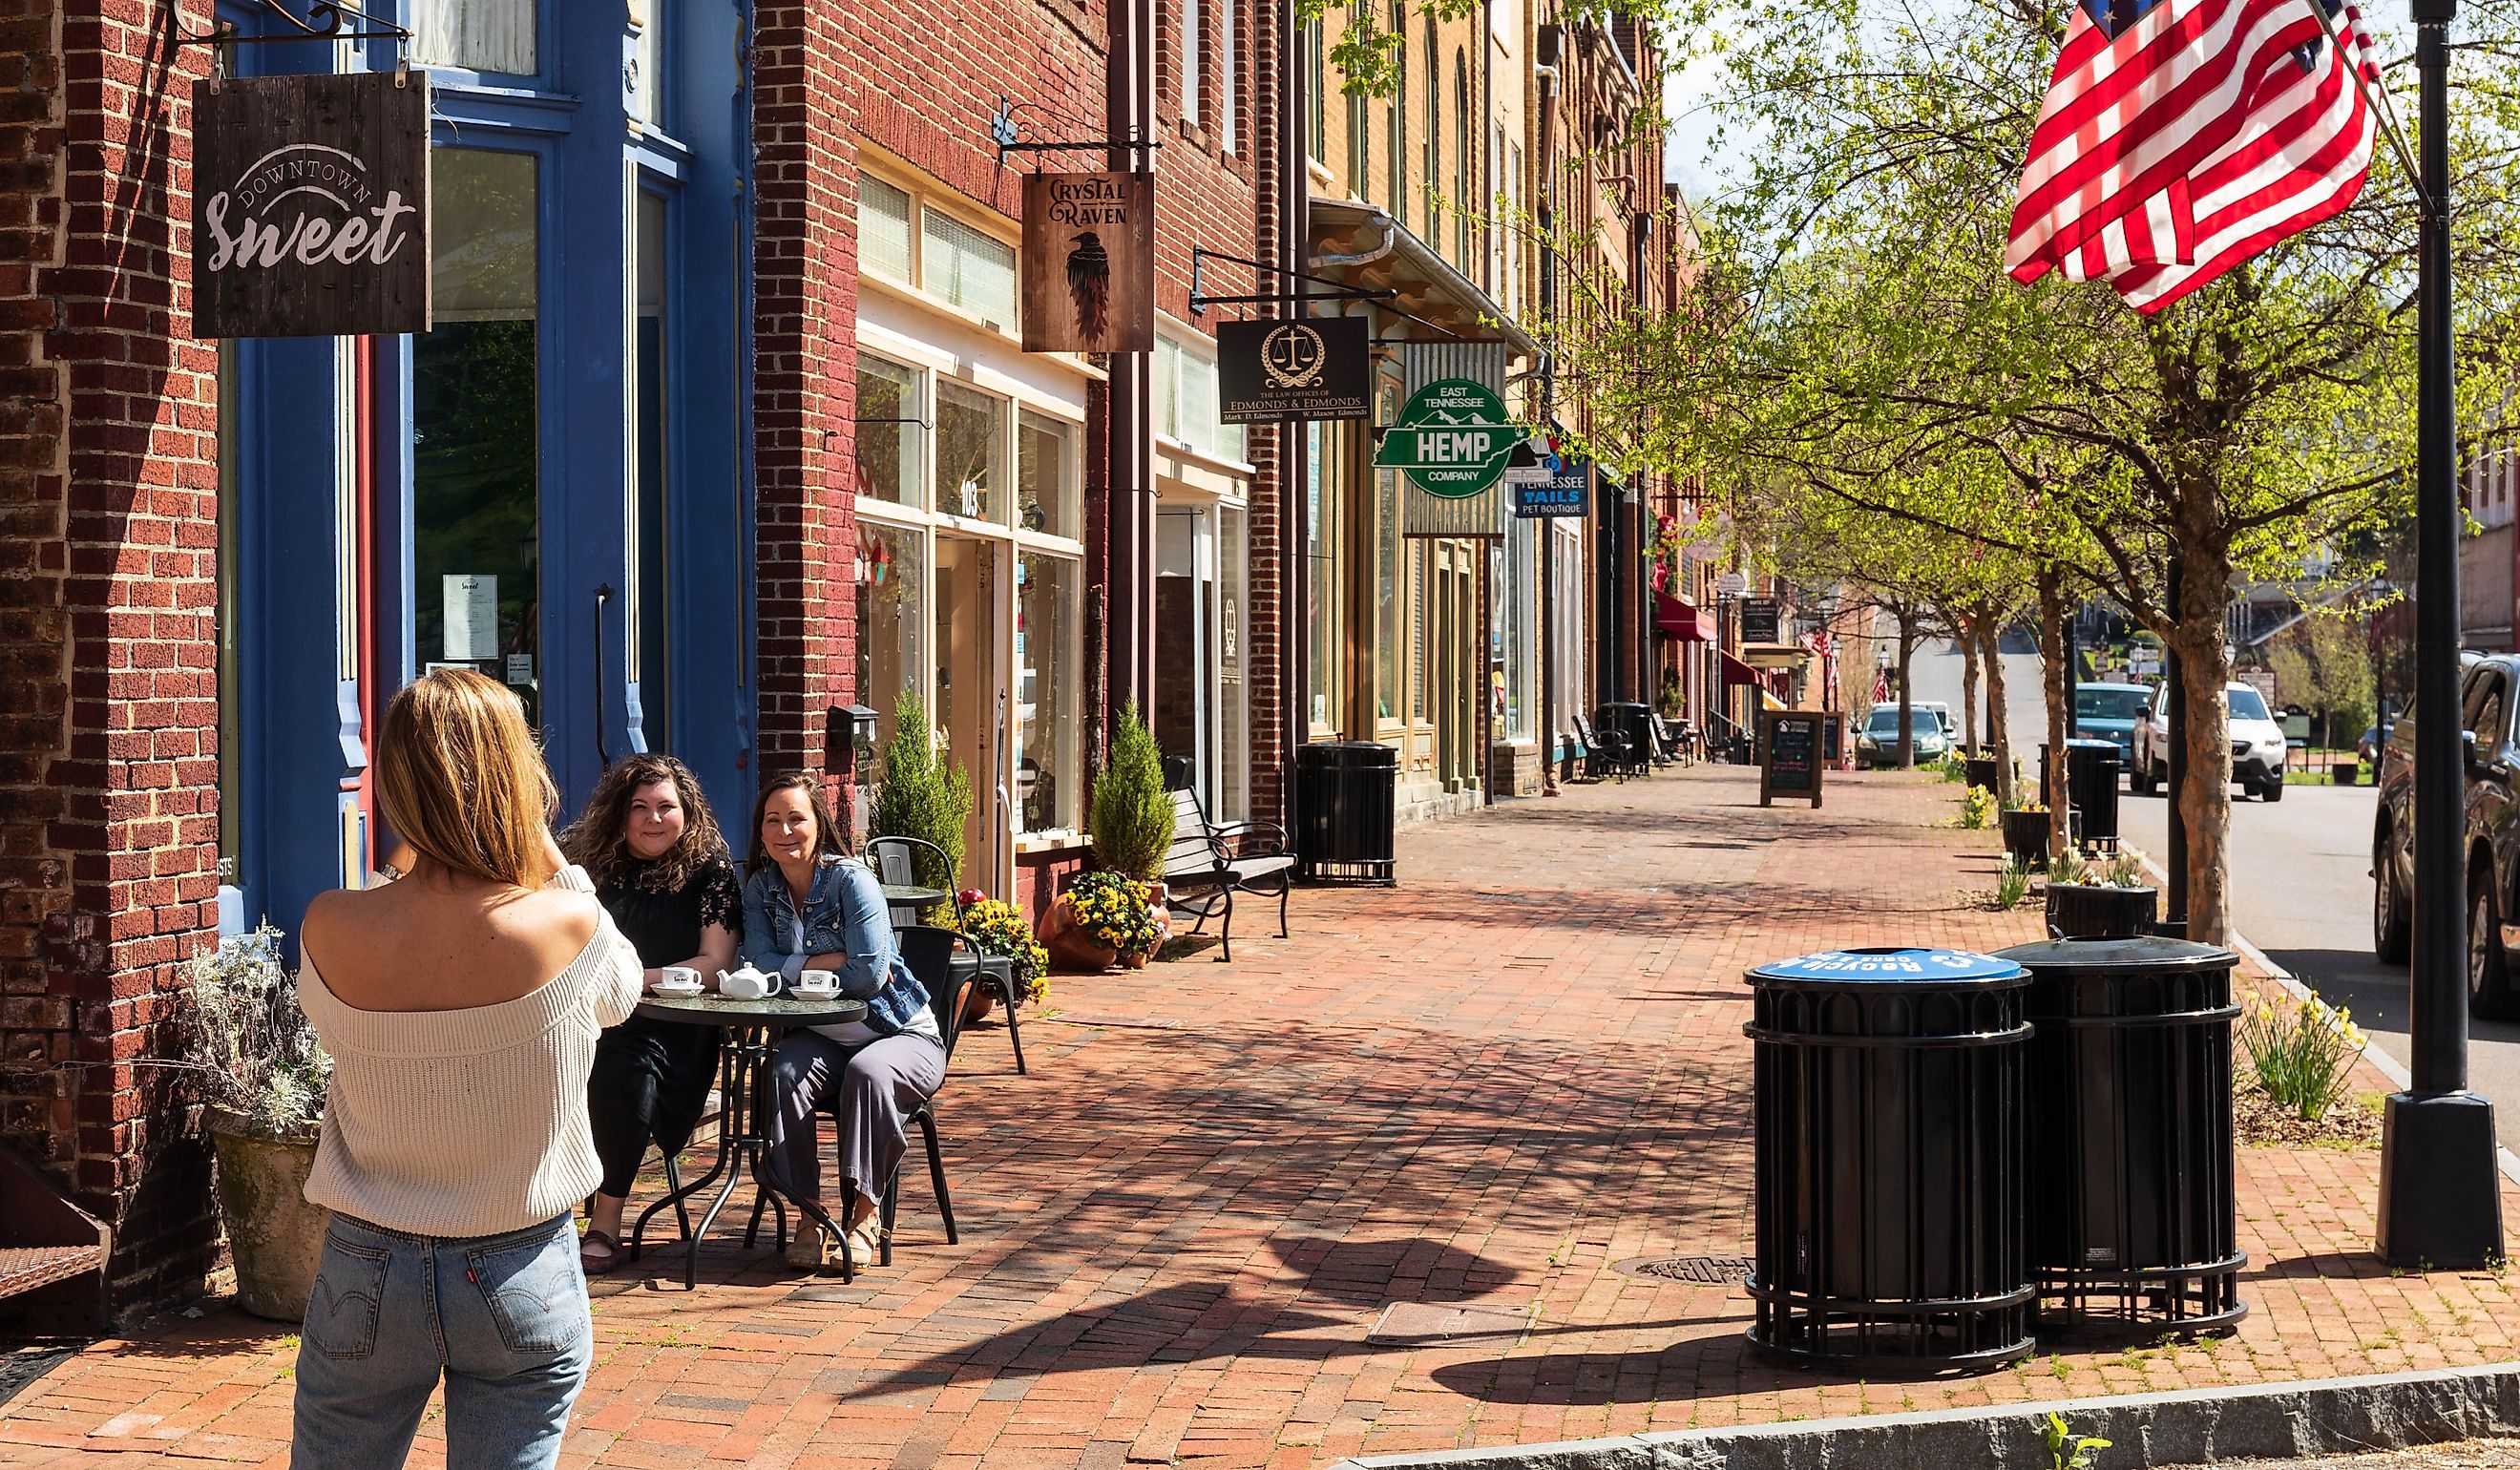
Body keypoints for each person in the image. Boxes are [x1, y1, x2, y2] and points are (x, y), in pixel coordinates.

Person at [291, 669, 642, 1470]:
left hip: (364, 1266)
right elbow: (621, 990)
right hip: (519, 1262)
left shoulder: (333, 923)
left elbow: (388, 918)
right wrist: (550, 856)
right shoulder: (568, 921)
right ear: (518, 779)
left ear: (396, 784)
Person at [742, 773, 945, 1270]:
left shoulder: (851, 880)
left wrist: (791, 966)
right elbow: (756, 962)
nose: (784, 829)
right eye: (773, 820)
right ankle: (810, 1215)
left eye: (796, 818)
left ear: (819, 824)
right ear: (761, 831)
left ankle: (864, 1216)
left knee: (869, 1073)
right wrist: (827, 959)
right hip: (824, 1037)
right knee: (783, 1071)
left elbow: (869, 975)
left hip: (899, 1033)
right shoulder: (760, 888)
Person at [559, 753, 744, 1274]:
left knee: (627, 1073)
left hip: (671, 1026)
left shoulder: (711, 875)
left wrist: (630, 980)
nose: (653, 818)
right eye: (639, 807)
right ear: (620, 814)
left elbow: (715, 964)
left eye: (666, 806)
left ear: (688, 811)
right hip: (587, 1017)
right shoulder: (591, 867)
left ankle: (605, 1220)